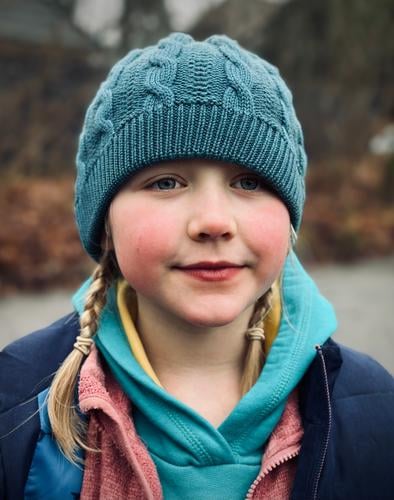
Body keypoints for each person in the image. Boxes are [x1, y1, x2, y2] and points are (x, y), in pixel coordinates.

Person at [0, 32, 393, 500]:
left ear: (289, 218)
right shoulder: (17, 406)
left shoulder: (374, 411)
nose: (213, 221)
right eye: (166, 182)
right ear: (105, 225)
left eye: (248, 182)